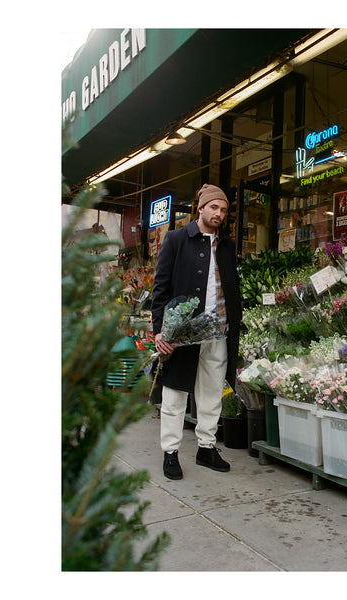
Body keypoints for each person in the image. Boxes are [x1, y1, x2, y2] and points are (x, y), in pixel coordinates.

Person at [150, 184, 242, 481]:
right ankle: (171, 451)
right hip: (183, 333)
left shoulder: (227, 245)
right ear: (200, 208)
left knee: (212, 393)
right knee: (175, 392)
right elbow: (160, 287)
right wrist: (159, 331)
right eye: (214, 207)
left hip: (218, 331)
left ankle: (206, 446)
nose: (219, 213)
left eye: (224, 210)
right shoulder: (177, 239)